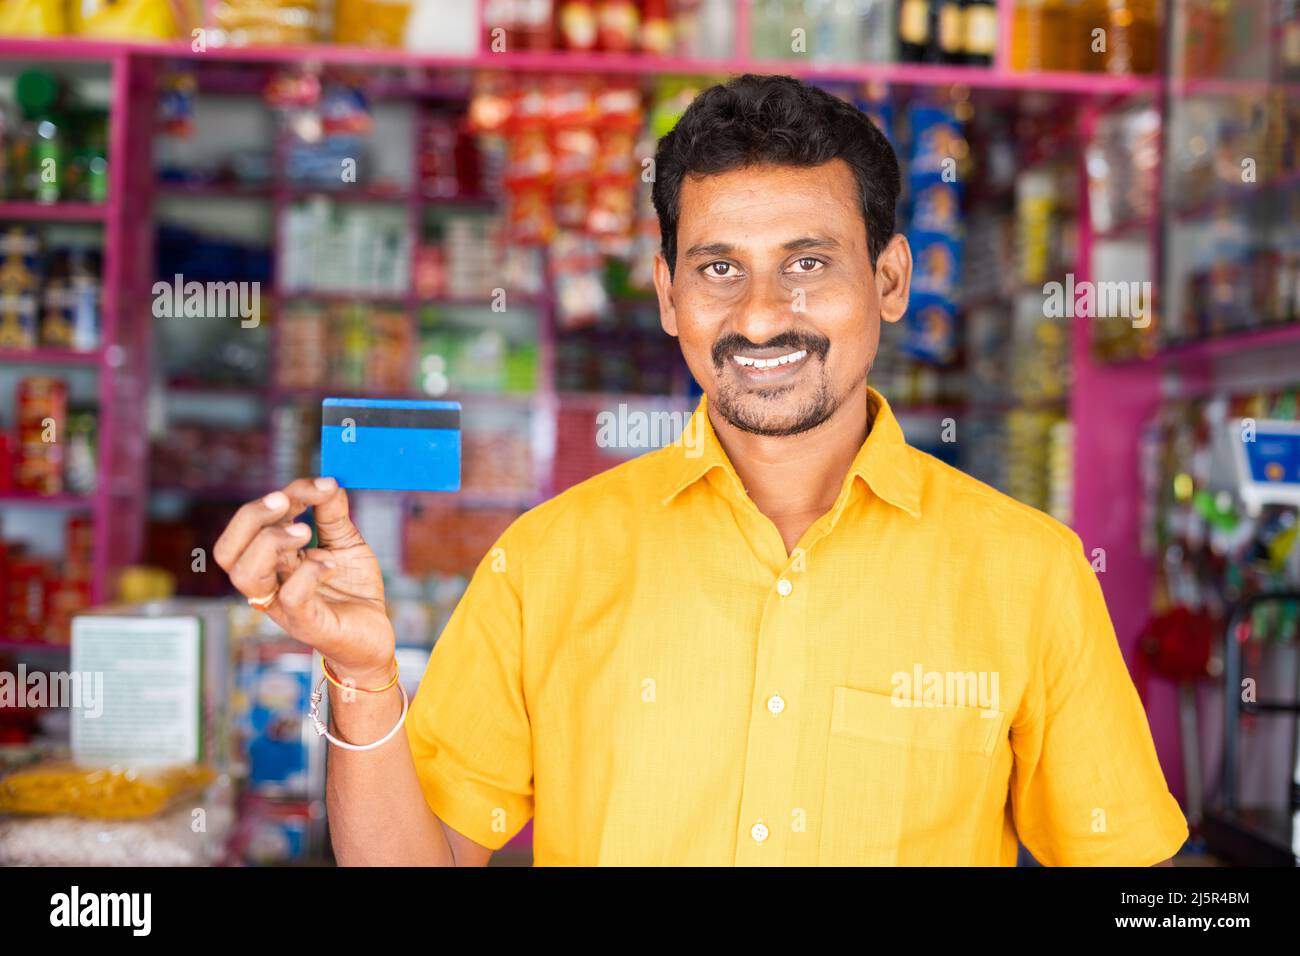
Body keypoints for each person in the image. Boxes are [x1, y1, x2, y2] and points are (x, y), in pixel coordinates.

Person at [214, 74, 1187, 866]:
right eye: (719, 267)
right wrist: (362, 674)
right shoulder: (549, 560)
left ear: (888, 281)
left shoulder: (1030, 572)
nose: (761, 314)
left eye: (808, 263)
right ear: (669, 294)